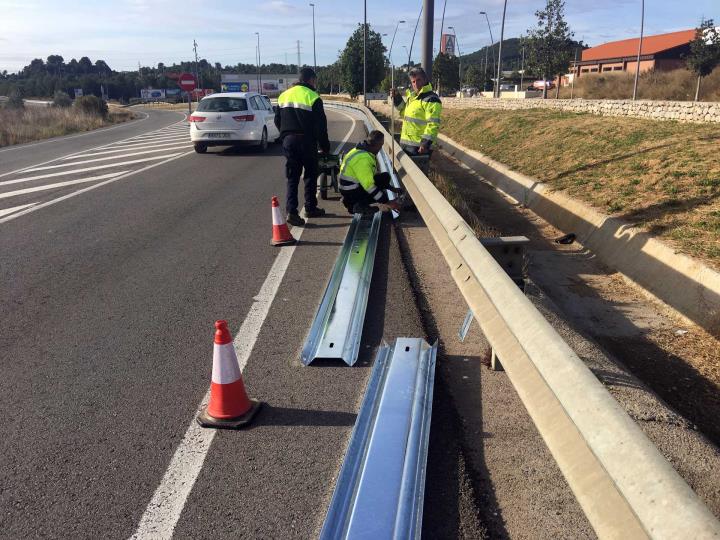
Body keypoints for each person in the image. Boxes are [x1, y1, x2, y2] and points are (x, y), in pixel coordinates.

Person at [274, 67, 330, 226]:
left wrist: (285, 135)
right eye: (315, 80)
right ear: (311, 79)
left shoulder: (283, 95)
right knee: (311, 175)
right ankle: (310, 208)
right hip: (307, 141)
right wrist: (324, 146)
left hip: (289, 141)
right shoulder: (313, 96)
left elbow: (277, 120)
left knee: (292, 177)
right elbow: (321, 127)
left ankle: (292, 212)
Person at [338, 130, 402, 215]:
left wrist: (391, 189)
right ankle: (355, 205)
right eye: (381, 145)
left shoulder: (364, 150)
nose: (381, 148)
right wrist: (387, 202)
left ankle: (350, 201)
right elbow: (369, 186)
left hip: (352, 186)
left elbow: (373, 176)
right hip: (351, 191)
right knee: (376, 195)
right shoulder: (363, 160)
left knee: (384, 177)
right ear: (377, 145)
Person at [391, 67, 442, 160]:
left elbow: (433, 124)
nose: (416, 84)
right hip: (406, 145)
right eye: (413, 82)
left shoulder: (431, 99)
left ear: (425, 80)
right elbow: (404, 112)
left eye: (418, 80)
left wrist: (425, 144)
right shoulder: (413, 97)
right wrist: (397, 98)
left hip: (419, 148)